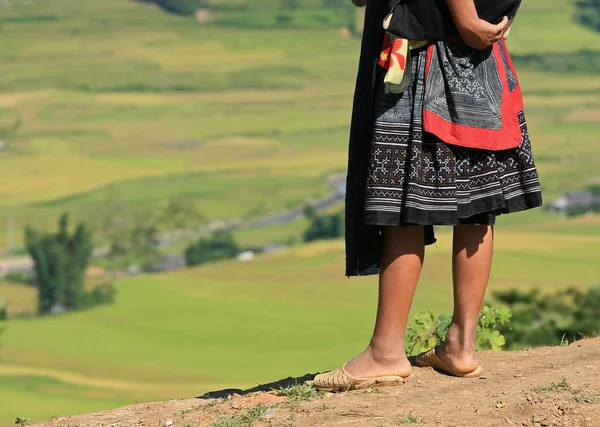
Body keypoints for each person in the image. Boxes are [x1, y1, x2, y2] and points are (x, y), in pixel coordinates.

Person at [311, 0, 542, 391]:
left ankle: (385, 352)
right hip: (481, 58)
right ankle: (461, 346)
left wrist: (468, 18)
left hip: (425, 57)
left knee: (404, 208)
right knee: (477, 205)